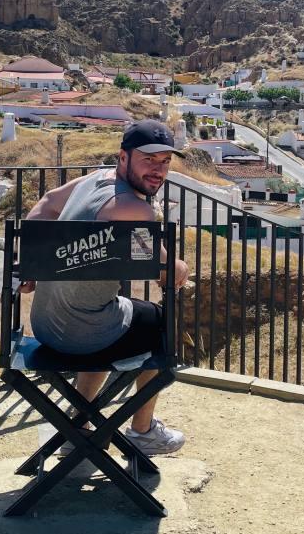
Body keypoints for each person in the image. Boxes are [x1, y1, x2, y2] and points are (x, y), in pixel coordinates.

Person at [24, 119, 190, 455]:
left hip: (43, 327)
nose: (158, 171)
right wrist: (180, 266)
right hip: (84, 336)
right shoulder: (134, 208)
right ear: (124, 157)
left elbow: (46, 204)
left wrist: (30, 262)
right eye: (148, 160)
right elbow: (165, 273)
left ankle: (79, 423)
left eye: (165, 162)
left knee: (114, 310)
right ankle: (143, 431)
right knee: (159, 322)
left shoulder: (95, 180)